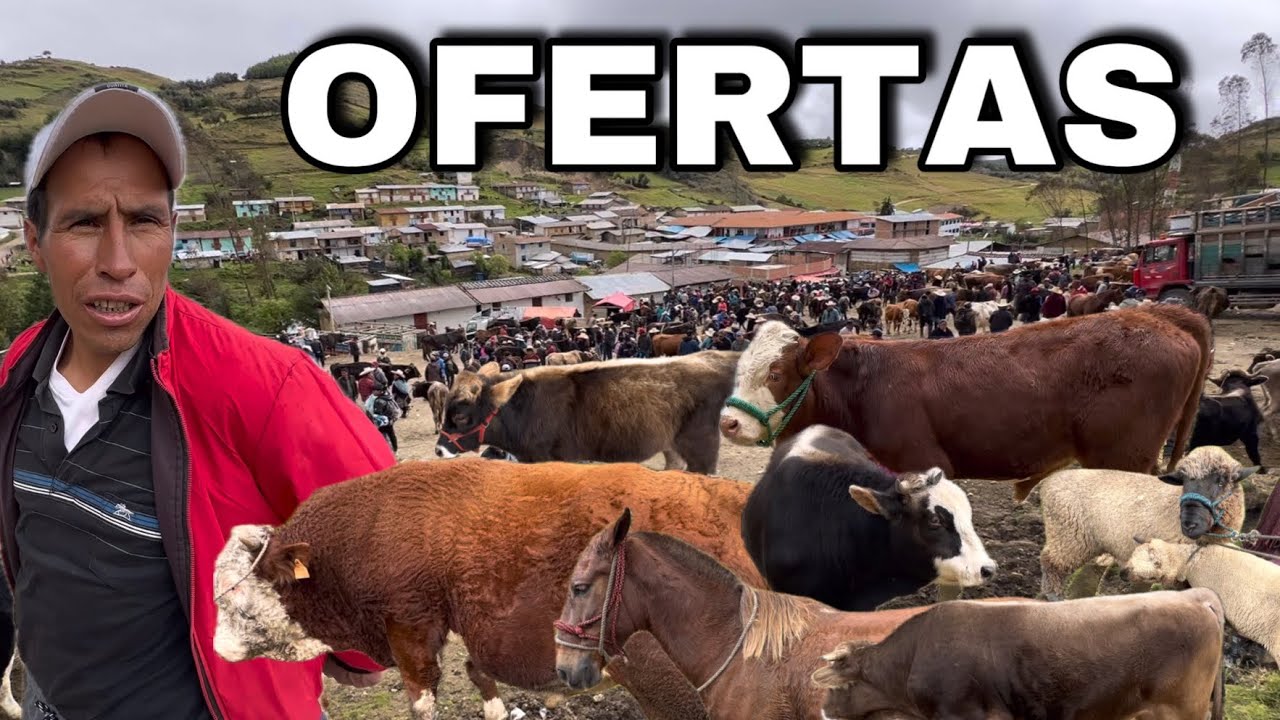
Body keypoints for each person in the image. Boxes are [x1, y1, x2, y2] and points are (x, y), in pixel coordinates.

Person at [0, 83, 391, 720]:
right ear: (35, 241)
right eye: (84, 222)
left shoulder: (266, 385)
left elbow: (382, 534)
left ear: (174, 232)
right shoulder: (18, 375)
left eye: (145, 221)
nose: (119, 261)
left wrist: (359, 653)